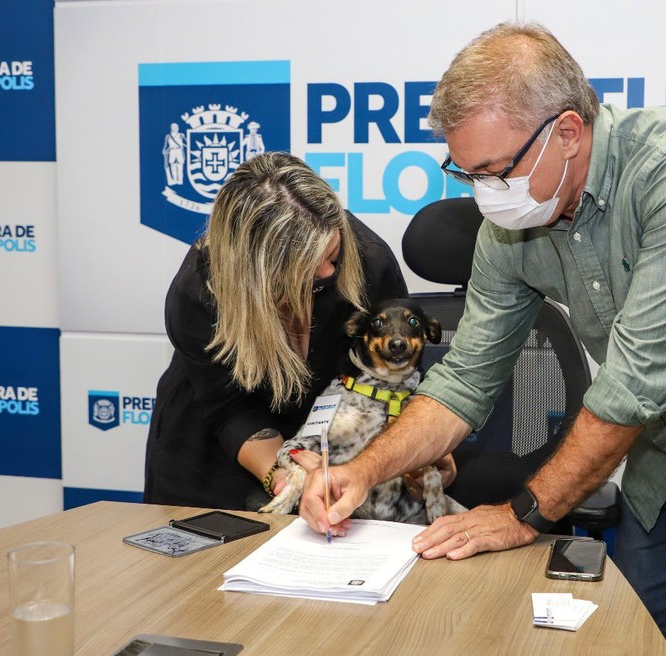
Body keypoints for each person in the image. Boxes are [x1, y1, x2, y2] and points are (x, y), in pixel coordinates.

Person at [299, 23, 666, 655]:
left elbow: (638, 382)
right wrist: (362, 472)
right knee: (629, 636)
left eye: (496, 170)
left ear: (569, 132)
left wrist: (524, 513)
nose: (484, 194)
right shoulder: (511, 225)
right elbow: (465, 378)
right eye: (466, 172)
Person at [144, 152, 455, 511]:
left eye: (333, 255)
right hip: (211, 455)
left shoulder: (370, 261)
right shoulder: (200, 293)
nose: (327, 273)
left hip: (329, 445)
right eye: (305, 267)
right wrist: (284, 475)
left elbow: (395, 380)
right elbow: (229, 410)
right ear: (255, 272)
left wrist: (415, 446)